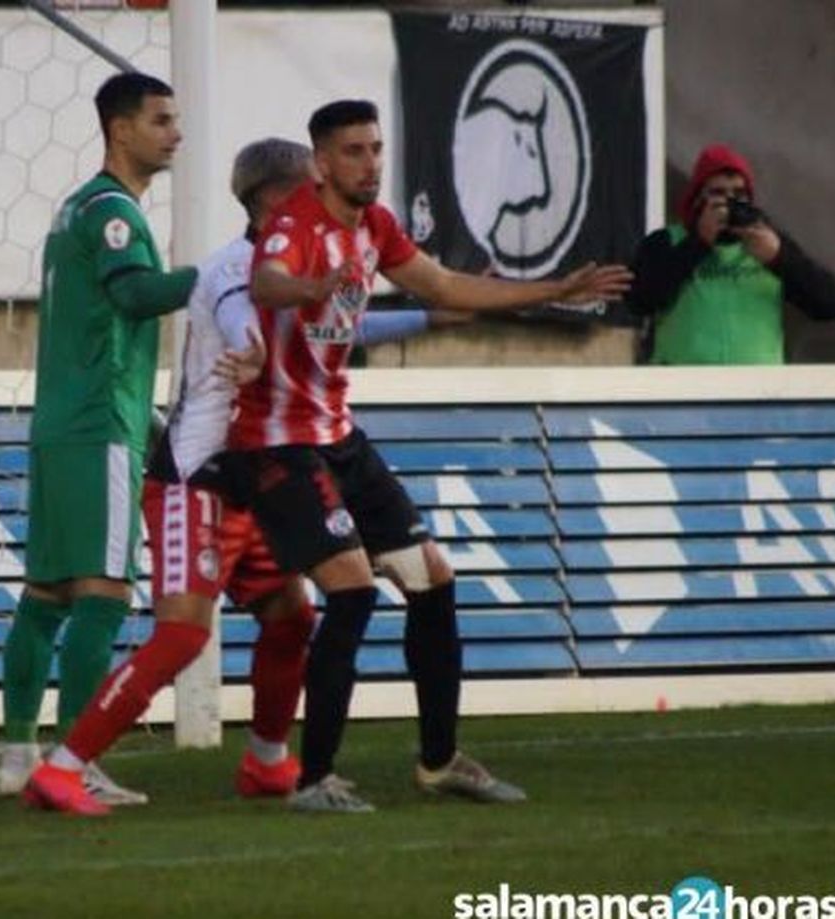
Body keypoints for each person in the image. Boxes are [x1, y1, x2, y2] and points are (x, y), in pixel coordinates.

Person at [23, 139, 462, 815]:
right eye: (308, 186)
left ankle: (265, 761)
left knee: (292, 614)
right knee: (182, 633)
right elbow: (236, 317)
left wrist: (430, 316)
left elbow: (344, 326)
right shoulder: (237, 267)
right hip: (198, 476)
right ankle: (62, 767)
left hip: (259, 475)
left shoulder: (304, 262)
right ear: (274, 199)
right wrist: (252, 354)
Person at [232, 100, 630, 813]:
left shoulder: (375, 227)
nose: (370, 163)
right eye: (353, 151)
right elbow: (266, 282)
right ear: (320, 162)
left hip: (338, 437)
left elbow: (445, 286)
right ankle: (314, 778)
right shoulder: (295, 224)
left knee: (434, 579)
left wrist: (556, 290)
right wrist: (307, 288)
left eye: (376, 148)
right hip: (278, 445)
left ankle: (439, 761)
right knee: (352, 591)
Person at [0, 72, 198, 806]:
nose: (175, 132)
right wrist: (218, 278)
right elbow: (135, 296)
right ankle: (74, 758)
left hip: (59, 421)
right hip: (96, 427)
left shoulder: (74, 207)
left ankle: (18, 751)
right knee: (105, 592)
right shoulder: (113, 212)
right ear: (121, 129)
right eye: (162, 119)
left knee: (45, 593)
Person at [626, 143, 835, 364]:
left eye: (739, 195)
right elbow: (639, 301)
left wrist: (779, 259)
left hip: (757, 389)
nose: (729, 204)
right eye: (718, 194)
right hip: (686, 387)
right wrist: (698, 243)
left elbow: (830, 304)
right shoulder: (667, 241)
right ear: (698, 198)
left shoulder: (768, 241)